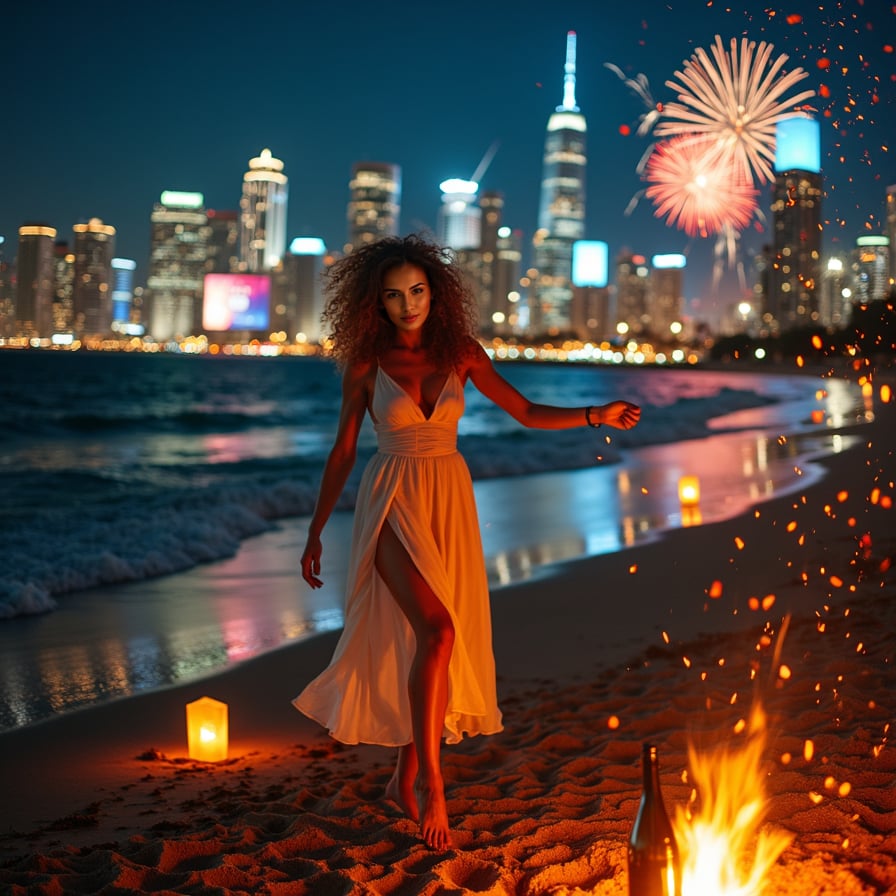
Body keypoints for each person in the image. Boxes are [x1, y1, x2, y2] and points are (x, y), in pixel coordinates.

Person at [293, 233, 641, 850]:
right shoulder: (366, 365)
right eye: (395, 295)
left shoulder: (462, 353)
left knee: (423, 640)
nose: (408, 304)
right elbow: (345, 450)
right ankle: (432, 783)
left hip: (449, 500)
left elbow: (527, 412)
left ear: (436, 293)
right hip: (392, 502)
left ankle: (402, 780)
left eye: (418, 292)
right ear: (376, 302)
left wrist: (596, 413)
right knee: (438, 632)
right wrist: (317, 528)